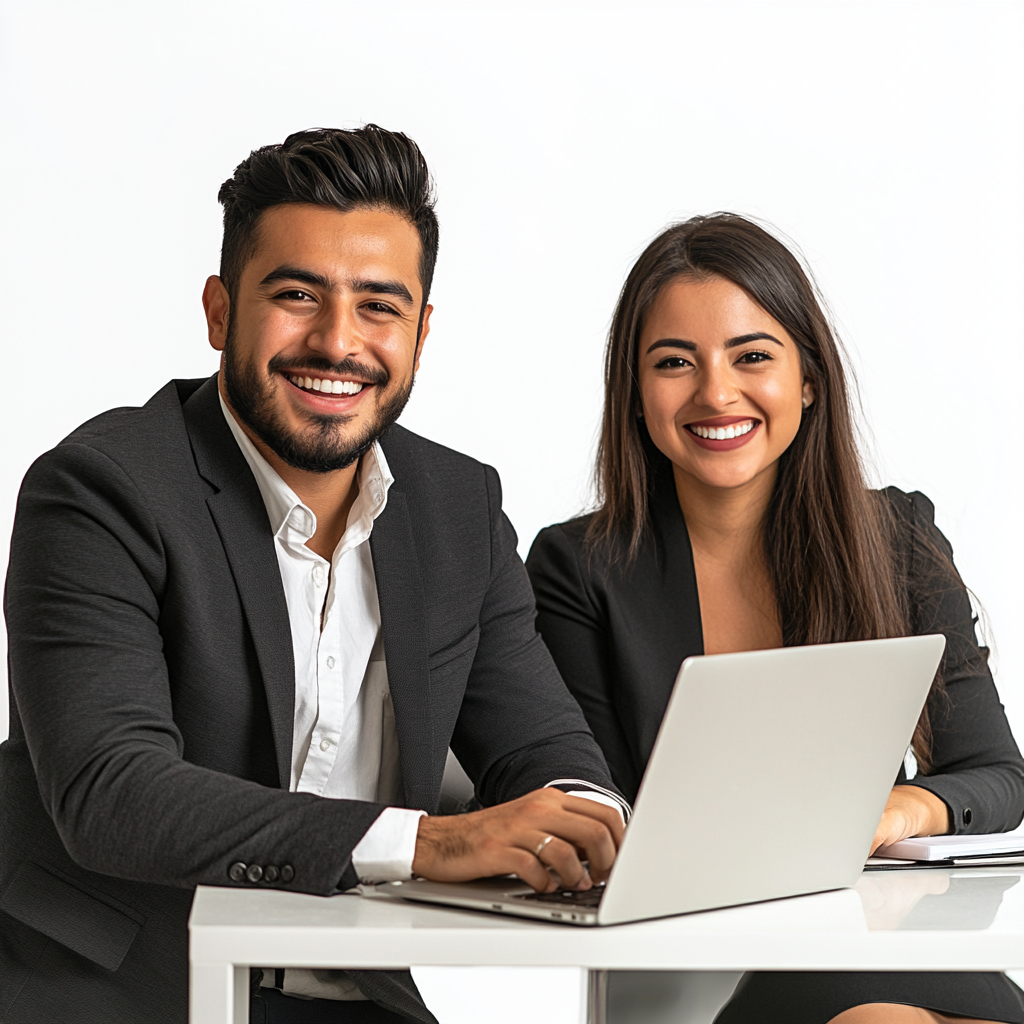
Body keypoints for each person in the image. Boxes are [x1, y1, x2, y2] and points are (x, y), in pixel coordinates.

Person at [0, 126, 628, 1024]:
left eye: (380, 306)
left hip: (355, 991)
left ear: (420, 329)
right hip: (119, 985)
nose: (338, 343)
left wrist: (591, 822)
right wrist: (430, 842)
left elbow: (542, 752)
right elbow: (111, 791)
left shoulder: (458, 507)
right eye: (297, 295)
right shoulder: (102, 490)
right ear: (221, 311)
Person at [525, 213, 1024, 1024]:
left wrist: (892, 812)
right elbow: (600, 815)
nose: (716, 393)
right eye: (674, 363)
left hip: (893, 941)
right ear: (635, 392)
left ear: (809, 379)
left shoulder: (896, 539)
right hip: (711, 960)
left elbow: (999, 777)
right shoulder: (578, 570)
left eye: (752, 356)